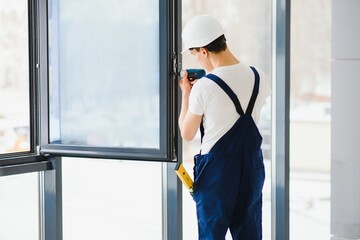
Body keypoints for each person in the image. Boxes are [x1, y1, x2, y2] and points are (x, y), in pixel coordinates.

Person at [178, 15, 271, 240]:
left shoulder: (205, 87)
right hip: (251, 168)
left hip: (216, 175)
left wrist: (186, 95)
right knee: (249, 234)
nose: (198, 61)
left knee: (211, 236)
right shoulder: (259, 76)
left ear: (203, 51)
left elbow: (186, 133)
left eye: (194, 54)